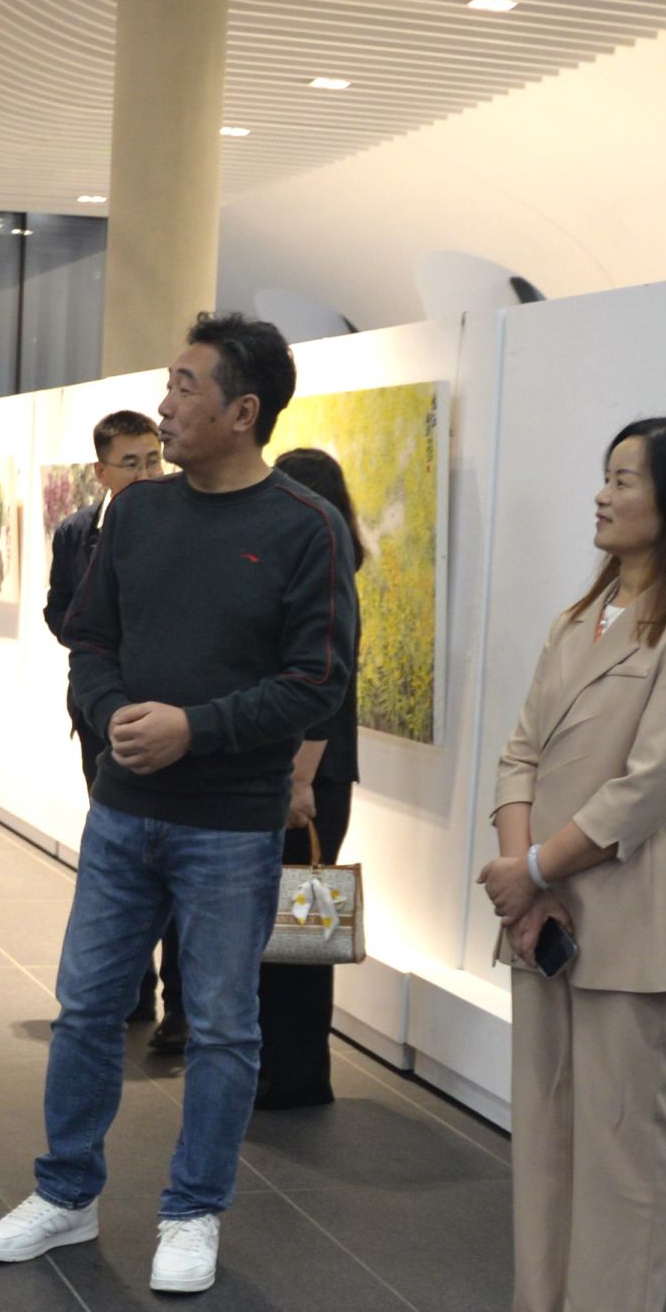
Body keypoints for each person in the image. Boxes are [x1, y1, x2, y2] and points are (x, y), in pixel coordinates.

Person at [0, 313, 356, 1296]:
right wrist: (109, 717)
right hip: (121, 810)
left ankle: (193, 1211)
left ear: (243, 410)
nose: (165, 404)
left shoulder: (303, 527)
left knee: (223, 1027)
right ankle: (64, 1193)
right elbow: (91, 638)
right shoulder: (137, 515)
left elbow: (316, 679)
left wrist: (196, 728)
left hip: (230, 823)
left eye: (186, 386)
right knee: (88, 1008)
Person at [478, 417, 666, 1312]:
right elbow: (519, 753)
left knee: (622, 1156)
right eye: (607, 474)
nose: (602, 494)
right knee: (545, 1141)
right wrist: (522, 881)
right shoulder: (575, 620)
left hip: (631, 918)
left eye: (625, 479)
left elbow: (645, 789)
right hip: (541, 918)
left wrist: (532, 870)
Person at [42, 410, 183, 1051]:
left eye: (154, 458)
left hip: (171, 720)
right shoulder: (78, 532)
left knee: (176, 858)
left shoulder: (184, 524)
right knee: (119, 856)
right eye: (132, 463)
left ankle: (181, 1007)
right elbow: (60, 611)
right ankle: (132, 990)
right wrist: (99, 657)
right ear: (101, 471)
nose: (148, 473)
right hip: (102, 717)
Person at [259, 446, 366, 1110]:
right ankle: (287, 1067)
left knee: (299, 930)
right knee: (295, 927)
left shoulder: (327, 581)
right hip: (312, 777)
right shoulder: (327, 573)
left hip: (310, 780)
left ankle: (295, 1074)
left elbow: (322, 698)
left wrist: (298, 784)